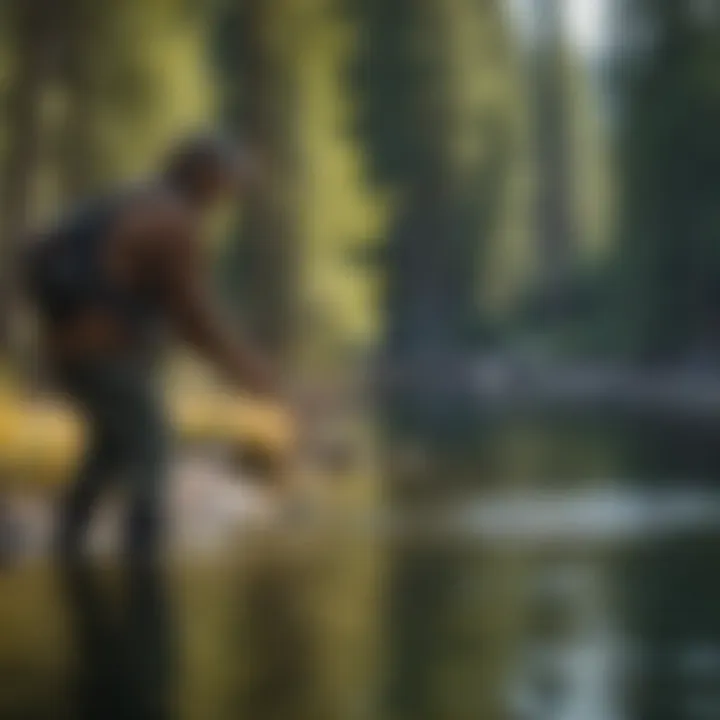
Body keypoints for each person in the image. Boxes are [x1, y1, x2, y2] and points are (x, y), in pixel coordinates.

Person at [24, 132, 278, 561]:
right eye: (228, 179)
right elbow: (192, 316)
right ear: (205, 175)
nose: (231, 192)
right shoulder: (173, 222)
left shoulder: (131, 201)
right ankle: (143, 564)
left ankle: (68, 547)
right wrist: (248, 371)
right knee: (151, 444)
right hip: (106, 353)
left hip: (66, 347)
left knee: (108, 447)